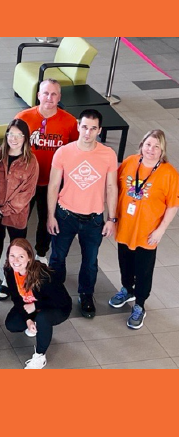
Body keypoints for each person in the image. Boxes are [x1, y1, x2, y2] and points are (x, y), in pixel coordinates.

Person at [47, 109, 118, 318]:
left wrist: (111, 218)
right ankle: (55, 294)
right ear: (78, 126)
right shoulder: (63, 152)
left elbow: (112, 188)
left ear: (100, 131)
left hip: (94, 219)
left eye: (93, 128)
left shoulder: (108, 155)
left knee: (90, 261)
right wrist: (51, 215)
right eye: (84, 127)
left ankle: (86, 294)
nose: (88, 132)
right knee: (58, 257)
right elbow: (53, 185)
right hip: (65, 215)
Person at [110, 130, 179, 329]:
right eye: (148, 144)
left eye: (157, 146)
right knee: (124, 262)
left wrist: (160, 231)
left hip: (148, 232)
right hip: (125, 227)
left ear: (162, 150)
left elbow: (173, 205)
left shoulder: (169, 174)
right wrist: (112, 218)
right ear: (141, 144)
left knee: (143, 269)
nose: (151, 150)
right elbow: (115, 189)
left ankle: (139, 304)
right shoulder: (130, 162)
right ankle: (126, 289)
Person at [16, 79, 79, 264]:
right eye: (45, 93)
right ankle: (18, 254)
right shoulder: (23, 117)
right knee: (21, 221)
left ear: (59, 97)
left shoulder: (69, 122)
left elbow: (75, 151)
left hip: (52, 183)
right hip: (26, 182)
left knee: (47, 219)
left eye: (53, 94)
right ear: (38, 95)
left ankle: (41, 254)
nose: (49, 98)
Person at [0, 119, 39, 299]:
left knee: (16, 246)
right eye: (11, 134)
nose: (14, 139)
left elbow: (27, 193)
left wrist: (2, 211)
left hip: (16, 213)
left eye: (19, 135)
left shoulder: (31, 162)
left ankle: (9, 278)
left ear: (25, 138)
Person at [3, 238, 72, 369]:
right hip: (30, 306)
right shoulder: (9, 270)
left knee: (43, 318)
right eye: (12, 255)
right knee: (12, 324)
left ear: (29, 257)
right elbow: (17, 299)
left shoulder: (43, 275)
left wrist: (35, 306)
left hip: (56, 307)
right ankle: (34, 323)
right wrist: (28, 320)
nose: (15, 261)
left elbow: (61, 300)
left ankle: (40, 355)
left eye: (20, 256)